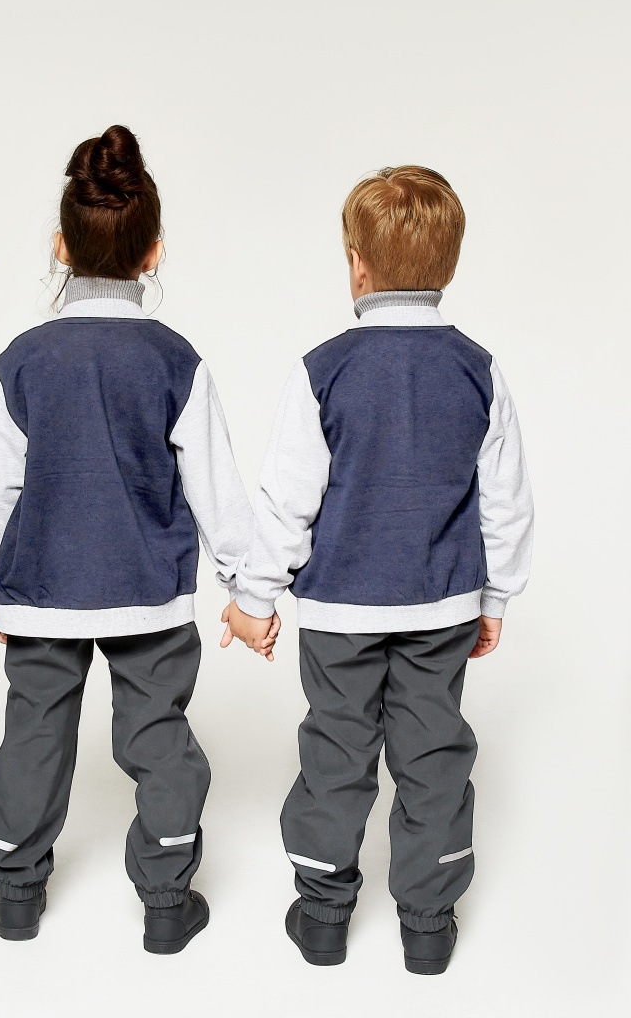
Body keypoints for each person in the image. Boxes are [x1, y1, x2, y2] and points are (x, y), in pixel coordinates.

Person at [0, 124, 275, 947]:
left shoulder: (22, 361)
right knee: (158, 735)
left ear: (61, 247)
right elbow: (216, 487)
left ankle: (17, 893)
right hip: (148, 594)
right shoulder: (174, 360)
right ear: (153, 253)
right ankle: (165, 903)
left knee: (33, 735)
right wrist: (250, 590)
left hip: (43, 591)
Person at [226, 166, 534, 972]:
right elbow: (505, 501)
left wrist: (255, 597)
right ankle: (427, 927)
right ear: (448, 265)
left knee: (336, 749)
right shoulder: (477, 369)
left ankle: (323, 915)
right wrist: (496, 596)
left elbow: (288, 499)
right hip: (442, 607)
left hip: (340, 613)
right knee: (433, 756)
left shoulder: (323, 369)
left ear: (357, 267)